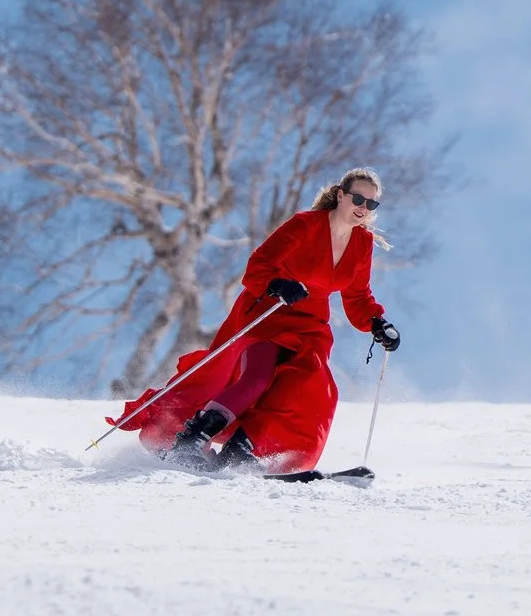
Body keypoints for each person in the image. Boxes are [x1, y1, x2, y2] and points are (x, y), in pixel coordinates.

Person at [108, 168, 401, 475]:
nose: (363, 208)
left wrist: (377, 323)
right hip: (270, 311)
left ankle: (242, 449)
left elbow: (357, 298)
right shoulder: (304, 225)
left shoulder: (362, 243)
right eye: (358, 198)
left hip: (309, 323)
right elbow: (258, 265)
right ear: (341, 195)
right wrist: (278, 284)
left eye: (371, 205)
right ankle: (192, 438)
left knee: (313, 388)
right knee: (258, 377)